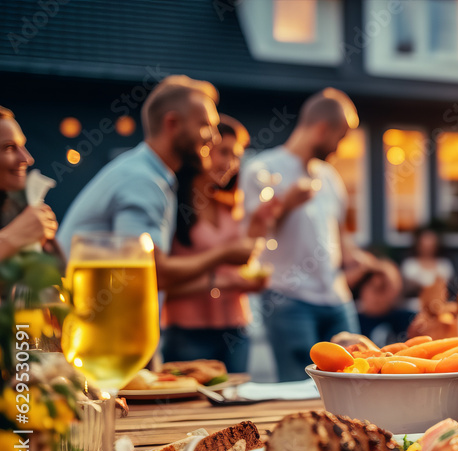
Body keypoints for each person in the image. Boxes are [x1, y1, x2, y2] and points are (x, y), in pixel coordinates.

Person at [57, 75, 256, 287]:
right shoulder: (142, 180)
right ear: (172, 124)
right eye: (206, 125)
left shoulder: (151, 174)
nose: (214, 138)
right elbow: (151, 273)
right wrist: (224, 254)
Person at [241, 88, 372, 381]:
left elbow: (340, 238)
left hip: (337, 299)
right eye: (339, 138)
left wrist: (367, 264)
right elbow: (251, 236)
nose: (339, 148)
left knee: (357, 383)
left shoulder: (329, 177)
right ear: (322, 129)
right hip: (289, 300)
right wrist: (286, 204)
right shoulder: (261, 169)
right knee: (300, 392)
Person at [161, 116, 276, 372]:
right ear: (202, 149)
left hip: (236, 329)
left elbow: (244, 264)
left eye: (236, 156)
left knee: (236, 405)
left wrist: (253, 274)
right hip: (187, 331)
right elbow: (160, 281)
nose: (231, 164)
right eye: (223, 152)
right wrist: (223, 281)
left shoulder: (231, 208)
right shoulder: (172, 209)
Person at [0, 105, 59, 259]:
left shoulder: (15, 207)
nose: (27, 159)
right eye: (9, 147)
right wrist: (13, 237)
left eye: (22, 145)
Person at [355, 259, 415, 346]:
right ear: (362, 288)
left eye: (383, 288)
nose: (377, 296)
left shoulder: (408, 319)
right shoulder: (351, 320)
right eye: (374, 288)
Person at [400, 226, 453, 309]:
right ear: (418, 245)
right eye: (425, 244)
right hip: (414, 307)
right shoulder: (410, 264)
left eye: (431, 244)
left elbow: (447, 288)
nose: (428, 247)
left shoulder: (444, 264)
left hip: (437, 306)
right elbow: (406, 288)